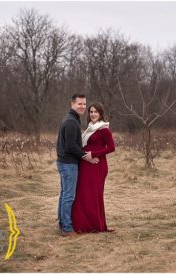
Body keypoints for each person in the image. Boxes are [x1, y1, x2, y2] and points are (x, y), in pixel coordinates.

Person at [72, 103, 116, 233]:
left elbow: (111, 147)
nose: (93, 114)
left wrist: (93, 154)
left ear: (101, 113)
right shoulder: (90, 128)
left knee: (93, 195)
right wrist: (85, 155)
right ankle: (83, 224)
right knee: (83, 194)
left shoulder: (104, 129)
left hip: (97, 165)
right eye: (91, 112)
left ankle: (95, 225)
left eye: (96, 112)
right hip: (86, 164)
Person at [55, 94, 92, 237]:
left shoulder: (71, 118)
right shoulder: (71, 121)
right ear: (72, 104)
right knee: (69, 196)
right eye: (79, 104)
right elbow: (70, 146)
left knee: (64, 195)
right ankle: (67, 228)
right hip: (68, 163)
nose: (83, 106)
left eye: (84, 104)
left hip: (64, 162)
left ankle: (62, 223)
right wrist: (84, 155)